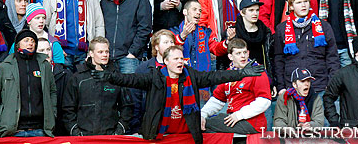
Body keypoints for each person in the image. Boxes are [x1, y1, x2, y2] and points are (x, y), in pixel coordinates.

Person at [97, 44, 264, 144]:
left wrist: (242, 73)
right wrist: (111, 76)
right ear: (166, 61)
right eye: (175, 59)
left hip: (187, 135)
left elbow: (216, 76)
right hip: (160, 134)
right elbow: (130, 79)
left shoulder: (191, 75)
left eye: (182, 59)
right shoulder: (154, 77)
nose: (180, 62)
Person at [0, 29, 57, 137]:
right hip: (13, 130)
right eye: (26, 40)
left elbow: (53, 91)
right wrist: (1, 113)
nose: (30, 43)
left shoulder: (44, 65)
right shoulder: (6, 66)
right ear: (18, 44)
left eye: (32, 41)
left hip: (40, 129)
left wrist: (52, 112)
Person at [62, 36, 132, 135]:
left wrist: (119, 131)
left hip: (110, 137)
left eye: (107, 52)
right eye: (100, 52)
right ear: (91, 53)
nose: (105, 55)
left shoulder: (117, 77)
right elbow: (68, 109)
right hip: (84, 137)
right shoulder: (77, 78)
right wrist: (76, 132)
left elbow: (127, 107)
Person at [273, 0, 339, 93]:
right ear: (291, 6)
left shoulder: (324, 26)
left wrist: (331, 85)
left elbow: (332, 57)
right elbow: (279, 60)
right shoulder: (281, 29)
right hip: (292, 86)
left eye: (306, 1)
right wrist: (281, 87)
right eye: (299, 2)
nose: (303, 5)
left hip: (320, 85)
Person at [200, 38, 271, 134]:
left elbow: (264, 101)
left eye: (245, 52)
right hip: (233, 118)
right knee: (200, 122)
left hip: (251, 123)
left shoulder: (257, 71)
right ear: (230, 56)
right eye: (238, 53)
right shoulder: (229, 73)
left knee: (205, 125)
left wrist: (239, 115)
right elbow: (217, 99)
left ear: (248, 53)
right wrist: (203, 114)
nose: (243, 56)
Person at [42, 0, 105, 67]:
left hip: (84, 53)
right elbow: (43, 27)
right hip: (62, 53)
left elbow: (99, 24)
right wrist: (55, 48)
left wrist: (95, 50)